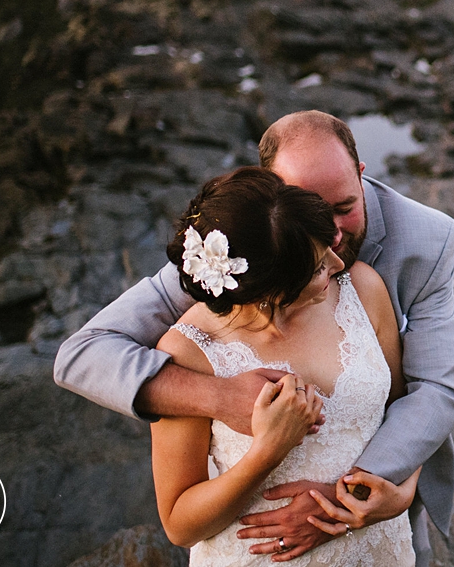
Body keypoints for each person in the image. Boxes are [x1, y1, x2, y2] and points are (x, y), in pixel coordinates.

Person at [54, 111, 454, 565]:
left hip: (383, 507)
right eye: (309, 213)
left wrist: (374, 493)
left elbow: (436, 389)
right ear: (271, 194)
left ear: (361, 175)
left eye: (344, 207)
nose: (332, 240)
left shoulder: (420, 245)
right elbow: (81, 355)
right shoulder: (228, 255)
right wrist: (217, 396)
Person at [151, 166, 414, 564]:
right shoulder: (188, 352)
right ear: (270, 290)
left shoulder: (363, 289)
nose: (337, 266)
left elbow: (405, 416)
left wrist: (398, 495)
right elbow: (179, 524)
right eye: (317, 267)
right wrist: (268, 451)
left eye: (328, 248)